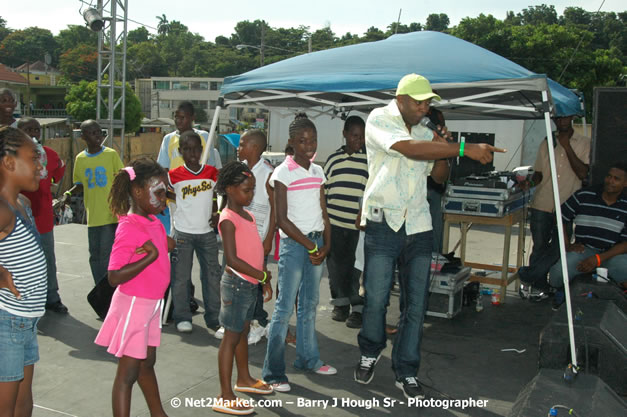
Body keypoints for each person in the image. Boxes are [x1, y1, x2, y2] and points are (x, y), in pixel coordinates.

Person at [353, 74, 503, 399]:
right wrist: (461, 146)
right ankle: (370, 350)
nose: (424, 108)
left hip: (418, 225)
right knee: (377, 298)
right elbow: (407, 149)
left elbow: (437, 178)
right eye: (418, 102)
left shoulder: (426, 132)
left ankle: (406, 370)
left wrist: (444, 151)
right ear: (401, 99)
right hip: (383, 222)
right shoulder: (379, 118)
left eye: (427, 103)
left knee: (417, 305)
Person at [262, 114, 337, 393]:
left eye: (313, 140)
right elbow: (281, 219)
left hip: (316, 246)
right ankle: (273, 373)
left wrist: (325, 246)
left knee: (309, 306)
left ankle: (308, 360)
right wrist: (311, 246)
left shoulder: (318, 172)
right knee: (283, 309)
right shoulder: (283, 173)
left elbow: (324, 213)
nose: (309, 145)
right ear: (291, 143)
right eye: (302, 141)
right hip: (296, 247)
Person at [94, 158, 171, 417]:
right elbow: (114, 276)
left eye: (166, 192)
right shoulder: (129, 226)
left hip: (151, 305)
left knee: (147, 363)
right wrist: (150, 256)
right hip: (135, 306)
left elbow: (154, 245)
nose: (164, 198)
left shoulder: (151, 221)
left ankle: (158, 413)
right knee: (127, 374)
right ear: (138, 192)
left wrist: (164, 244)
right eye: (159, 192)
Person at [213, 161, 273, 415]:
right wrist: (261, 275)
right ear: (229, 189)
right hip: (237, 285)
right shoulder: (228, 218)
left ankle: (244, 379)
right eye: (246, 190)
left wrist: (263, 280)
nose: (251, 195)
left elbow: (254, 251)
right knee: (231, 336)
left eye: (252, 189)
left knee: (243, 330)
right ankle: (225, 395)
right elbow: (232, 258)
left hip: (249, 285)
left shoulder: (246, 215)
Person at [515, 114, 590, 299]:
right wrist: (529, 183)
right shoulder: (547, 141)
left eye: (564, 118)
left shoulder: (584, 142)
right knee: (539, 247)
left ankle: (529, 275)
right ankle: (540, 288)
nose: (560, 122)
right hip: (542, 202)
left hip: (567, 204)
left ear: (572, 118)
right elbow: (540, 173)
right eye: (557, 119)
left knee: (560, 249)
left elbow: (583, 173)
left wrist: (566, 146)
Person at [0, 127, 46, 417]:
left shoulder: (23, 205)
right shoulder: (3, 210)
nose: (40, 166)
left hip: (27, 321)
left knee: (23, 401)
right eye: (34, 159)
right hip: (8, 321)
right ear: (8, 163)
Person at [216, 130, 276, 344]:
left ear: (255, 148)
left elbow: (276, 206)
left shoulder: (268, 173)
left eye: (242, 144)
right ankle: (232, 320)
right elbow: (226, 195)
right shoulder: (237, 170)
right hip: (238, 233)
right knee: (233, 276)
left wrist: (269, 237)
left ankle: (256, 321)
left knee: (254, 282)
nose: (238, 148)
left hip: (258, 237)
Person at [548, 162, 627, 309]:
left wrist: (597, 259)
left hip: (612, 255)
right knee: (557, 274)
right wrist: (567, 245)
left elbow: (625, 245)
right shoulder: (584, 195)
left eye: (616, 179)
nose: (610, 181)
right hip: (585, 250)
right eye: (609, 176)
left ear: (625, 183)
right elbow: (559, 217)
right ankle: (561, 292)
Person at [167, 131, 221, 333]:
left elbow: (217, 193)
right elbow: (167, 193)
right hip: (183, 234)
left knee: (212, 276)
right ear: (180, 151)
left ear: (202, 150)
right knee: (181, 278)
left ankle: (214, 318)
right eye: (187, 149)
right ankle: (182, 317)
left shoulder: (211, 173)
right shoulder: (173, 176)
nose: (192, 152)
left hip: (207, 233)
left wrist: (217, 211)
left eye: (196, 148)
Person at [61, 120, 123, 285]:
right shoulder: (81, 158)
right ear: (83, 136)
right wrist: (68, 193)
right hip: (93, 215)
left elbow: (122, 179)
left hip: (111, 214)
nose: (98, 136)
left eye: (99, 132)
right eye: (93, 133)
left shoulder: (111, 154)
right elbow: (79, 184)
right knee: (94, 255)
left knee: (106, 255)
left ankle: (109, 288)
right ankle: (100, 289)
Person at [18, 118, 68, 314]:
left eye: (36, 130)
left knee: (47, 258)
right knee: (21, 261)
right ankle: (24, 300)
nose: (32, 133)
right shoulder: (12, 155)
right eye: (27, 129)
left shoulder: (49, 154)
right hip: (18, 219)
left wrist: (52, 185)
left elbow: (59, 172)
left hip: (43, 218)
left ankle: (51, 297)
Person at [323, 116, 368, 328]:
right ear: (345, 134)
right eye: (354, 135)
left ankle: (357, 308)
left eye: (362, 136)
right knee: (335, 267)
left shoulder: (368, 161)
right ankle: (340, 305)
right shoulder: (333, 160)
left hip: (357, 228)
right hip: (334, 225)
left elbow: (371, 193)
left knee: (355, 270)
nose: (358, 140)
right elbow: (324, 192)